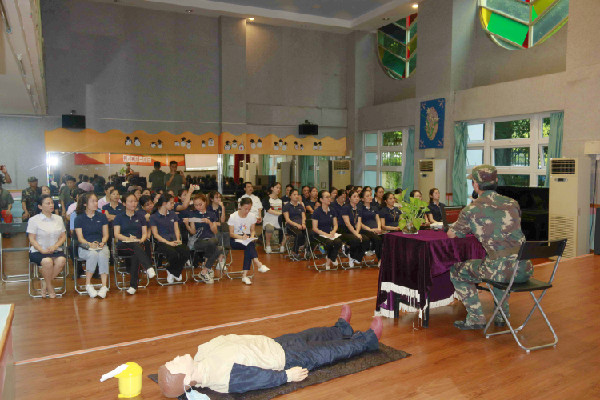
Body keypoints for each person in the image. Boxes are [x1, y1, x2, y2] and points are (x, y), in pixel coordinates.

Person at [158, 305, 383, 397]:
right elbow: (258, 379)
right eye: (175, 363)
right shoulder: (222, 377)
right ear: (186, 378)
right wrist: (286, 376)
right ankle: (368, 340)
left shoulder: (201, 355)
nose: (176, 357)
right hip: (284, 360)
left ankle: (341, 328)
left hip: (270, 345)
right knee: (328, 351)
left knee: (311, 334)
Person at [448, 165, 533, 330]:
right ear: (496, 181)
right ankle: (501, 315)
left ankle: (476, 318)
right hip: (524, 268)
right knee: (501, 267)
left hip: (501, 270)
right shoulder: (512, 203)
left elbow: (452, 235)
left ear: (475, 184)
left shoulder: (472, 209)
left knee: (457, 271)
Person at [114, 192, 155, 294]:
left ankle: (133, 286)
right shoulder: (119, 217)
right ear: (124, 203)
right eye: (131, 201)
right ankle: (148, 267)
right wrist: (128, 239)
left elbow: (144, 234)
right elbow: (116, 234)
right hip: (123, 245)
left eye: (135, 201)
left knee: (136, 252)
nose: (134, 203)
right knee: (136, 248)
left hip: (137, 244)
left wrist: (140, 240)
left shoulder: (140, 216)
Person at [26, 194, 67, 298]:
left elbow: (63, 236)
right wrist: (42, 250)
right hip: (38, 251)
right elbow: (32, 239)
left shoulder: (58, 218)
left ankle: (45, 283)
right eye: (48, 203)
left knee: (62, 260)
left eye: (52, 203)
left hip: (55, 250)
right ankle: (50, 287)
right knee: (47, 262)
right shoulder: (34, 220)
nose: (51, 205)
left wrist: (55, 246)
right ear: (40, 206)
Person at [74, 192, 110, 298]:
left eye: (96, 201)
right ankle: (88, 284)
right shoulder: (79, 218)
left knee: (103, 254)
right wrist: (90, 244)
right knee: (93, 254)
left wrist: (102, 242)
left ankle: (104, 286)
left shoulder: (102, 216)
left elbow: (106, 235)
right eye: (92, 201)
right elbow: (80, 238)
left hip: (100, 245)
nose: (95, 203)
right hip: (85, 247)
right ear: (85, 204)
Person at [150, 194, 191, 283]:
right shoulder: (154, 217)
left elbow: (176, 229)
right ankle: (175, 272)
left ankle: (172, 271)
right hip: (162, 242)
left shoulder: (172, 214)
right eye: (171, 203)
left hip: (174, 240)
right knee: (173, 253)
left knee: (186, 251)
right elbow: (155, 235)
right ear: (164, 204)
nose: (173, 205)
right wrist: (168, 243)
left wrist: (178, 239)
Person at [228, 197, 269, 285]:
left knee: (249, 245)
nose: (247, 211)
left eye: (249, 209)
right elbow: (231, 233)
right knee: (250, 245)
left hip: (247, 238)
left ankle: (245, 275)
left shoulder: (252, 216)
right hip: (235, 239)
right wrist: (241, 237)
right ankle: (258, 264)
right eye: (245, 209)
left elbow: (252, 230)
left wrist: (252, 236)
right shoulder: (233, 216)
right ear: (240, 206)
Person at [183, 194, 219, 284]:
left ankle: (204, 271)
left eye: (200, 204)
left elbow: (215, 231)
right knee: (217, 248)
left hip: (210, 240)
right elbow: (193, 232)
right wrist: (187, 224)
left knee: (215, 244)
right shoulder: (192, 214)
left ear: (205, 202)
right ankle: (208, 268)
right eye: (196, 205)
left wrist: (209, 222)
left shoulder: (211, 214)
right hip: (198, 241)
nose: (198, 207)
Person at [311, 191, 343, 270]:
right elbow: (314, 228)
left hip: (330, 233)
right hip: (320, 234)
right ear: (321, 199)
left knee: (338, 241)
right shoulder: (317, 212)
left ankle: (332, 257)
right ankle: (330, 260)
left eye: (329, 197)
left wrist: (333, 231)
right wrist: (326, 234)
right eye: (327, 197)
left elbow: (335, 225)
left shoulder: (332, 210)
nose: (329, 199)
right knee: (329, 243)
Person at [339, 190, 369, 267]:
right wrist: (356, 234)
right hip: (344, 231)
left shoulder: (358, 209)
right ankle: (351, 255)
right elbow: (347, 224)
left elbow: (359, 222)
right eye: (354, 197)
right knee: (355, 239)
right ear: (349, 198)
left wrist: (357, 233)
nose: (356, 198)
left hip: (354, 230)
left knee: (366, 239)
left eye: (357, 196)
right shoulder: (345, 208)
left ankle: (357, 257)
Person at [359, 190, 383, 261]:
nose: (370, 197)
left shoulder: (374, 208)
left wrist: (379, 228)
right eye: (367, 196)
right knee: (378, 239)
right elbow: (359, 222)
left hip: (376, 229)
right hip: (366, 230)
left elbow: (378, 219)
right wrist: (370, 229)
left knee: (387, 237)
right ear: (362, 199)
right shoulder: (360, 209)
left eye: (370, 195)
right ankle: (380, 259)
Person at [262, 182, 286, 254]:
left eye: (279, 188)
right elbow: (269, 210)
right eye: (277, 187)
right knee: (269, 228)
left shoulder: (281, 201)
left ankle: (282, 245)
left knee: (287, 228)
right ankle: (268, 245)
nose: (278, 189)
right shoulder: (266, 199)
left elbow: (284, 211)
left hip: (279, 221)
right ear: (272, 188)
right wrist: (280, 214)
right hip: (269, 221)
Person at [282, 189, 307, 257]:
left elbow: (304, 217)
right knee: (299, 234)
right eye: (294, 194)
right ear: (290, 196)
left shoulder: (300, 206)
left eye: (297, 194)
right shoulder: (286, 206)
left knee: (310, 233)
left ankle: (307, 251)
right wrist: (296, 225)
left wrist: (303, 223)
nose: (296, 196)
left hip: (301, 225)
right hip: (291, 226)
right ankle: (294, 251)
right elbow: (287, 220)